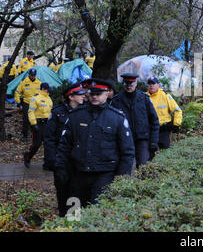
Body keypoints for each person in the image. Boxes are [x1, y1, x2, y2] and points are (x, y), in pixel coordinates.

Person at [55, 78, 135, 207]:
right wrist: (61, 168)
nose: (94, 97)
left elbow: (127, 152)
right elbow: (65, 145)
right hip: (78, 174)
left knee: (96, 213)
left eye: (98, 94)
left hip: (104, 175)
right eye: (92, 93)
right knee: (73, 215)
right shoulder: (76, 116)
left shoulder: (117, 118)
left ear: (107, 94)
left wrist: (122, 178)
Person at [44, 83, 85, 217]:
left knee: (76, 189)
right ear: (71, 97)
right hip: (61, 159)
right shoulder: (57, 113)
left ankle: (73, 219)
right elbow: (49, 138)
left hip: (77, 159)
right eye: (79, 94)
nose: (83, 96)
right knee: (62, 189)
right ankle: (63, 217)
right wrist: (52, 161)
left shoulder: (83, 112)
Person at [111, 73, 159, 168]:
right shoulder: (116, 101)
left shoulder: (144, 98)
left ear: (136, 83)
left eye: (131, 84)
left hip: (142, 139)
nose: (129, 86)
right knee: (123, 168)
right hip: (123, 139)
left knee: (143, 167)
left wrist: (153, 141)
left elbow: (154, 121)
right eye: (126, 84)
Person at [146, 76, 182, 157]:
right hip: (150, 130)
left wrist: (176, 124)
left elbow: (177, 110)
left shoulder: (165, 95)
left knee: (166, 154)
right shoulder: (144, 97)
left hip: (163, 130)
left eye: (153, 84)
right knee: (150, 154)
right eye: (149, 84)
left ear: (158, 85)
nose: (151, 86)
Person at [23, 82, 53, 168]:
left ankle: (47, 163)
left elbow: (50, 112)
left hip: (47, 124)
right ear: (43, 89)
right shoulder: (35, 98)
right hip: (38, 124)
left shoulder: (49, 99)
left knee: (48, 144)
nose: (49, 91)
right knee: (36, 144)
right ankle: (27, 157)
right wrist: (33, 124)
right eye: (48, 90)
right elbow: (31, 111)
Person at [14, 68, 42, 141]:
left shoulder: (39, 82)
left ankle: (35, 135)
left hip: (36, 104)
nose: (32, 76)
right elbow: (17, 92)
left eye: (34, 75)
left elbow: (42, 93)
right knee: (26, 120)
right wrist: (18, 102)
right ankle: (25, 135)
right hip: (27, 103)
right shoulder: (24, 82)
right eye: (31, 75)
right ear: (29, 74)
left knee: (35, 119)